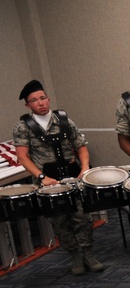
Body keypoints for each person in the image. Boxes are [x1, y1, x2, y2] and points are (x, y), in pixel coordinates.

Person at [14, 79, 101, 276]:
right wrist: (41, 176)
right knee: (60, 220)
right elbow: (22, 156)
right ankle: (75, 257)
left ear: (49, 99)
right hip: (48, 181)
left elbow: (81, 146)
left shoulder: (63, 120)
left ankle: (88, 253)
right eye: (34, 100)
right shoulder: (23, 127)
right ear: (28, 105)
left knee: (82, 217)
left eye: (43, 98)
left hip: (71, 176)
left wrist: (85, 168)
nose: (41, 103)